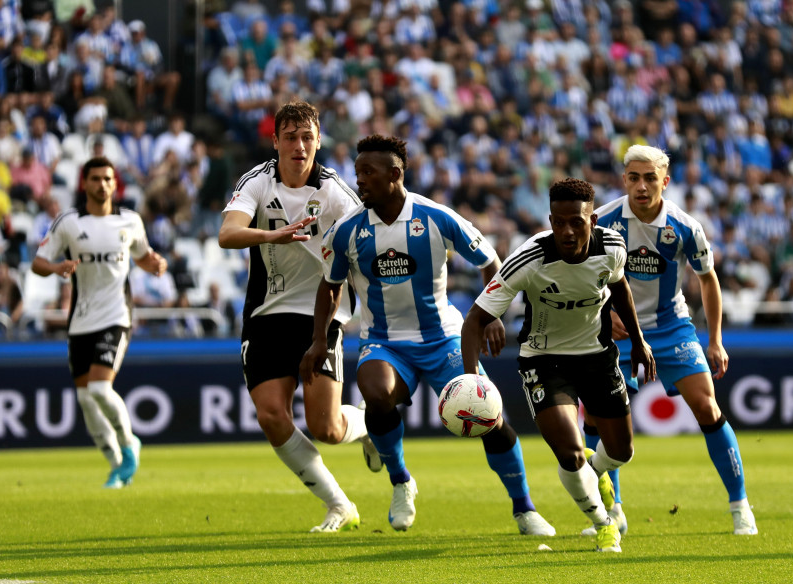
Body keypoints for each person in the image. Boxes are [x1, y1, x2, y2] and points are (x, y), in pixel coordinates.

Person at [300, 134, 555, 536]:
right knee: (376, 395)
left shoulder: (436, 217)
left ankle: (525, 508)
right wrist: (318, 339)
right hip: (384, 341)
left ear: (395, 174)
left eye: (368, 173)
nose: (359, 181)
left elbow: (491, 262)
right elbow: (330, 286)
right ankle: (401, 481)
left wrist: (491, 315)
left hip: (444, 339)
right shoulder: (347, 230)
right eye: (357, 172)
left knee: (491, 418)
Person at [461, 178, 655, 552]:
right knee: (571, 450)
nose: (567, 231)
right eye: (559, 222)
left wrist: (639, 339)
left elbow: (620, 289)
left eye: (577, 222)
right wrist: (473, 382)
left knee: (622, 452)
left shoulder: (613, 248)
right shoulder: (528, 259)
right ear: (550, 220)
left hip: (597, 357)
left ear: (593, 219)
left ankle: (591, 474)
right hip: (544, 361)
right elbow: (474, 320)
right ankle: (604, 523)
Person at [218, 100, 378, 534]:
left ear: (318, 141)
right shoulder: (256, 182)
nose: (299, 145)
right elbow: (227, 234)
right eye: (290, 137)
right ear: (275, 142)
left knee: (326, 427)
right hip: (267, 315)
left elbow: (367, 247)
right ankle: (339, 503)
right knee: (271, 414)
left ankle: (371, 426)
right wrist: (273, 234)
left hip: (319, 318)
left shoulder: (336, 194)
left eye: (307, 137)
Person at [585, 144, 757, 536]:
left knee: (706, 405)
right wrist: (601, 313)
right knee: (598, 417)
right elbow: (581, 273)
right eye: (634, 177)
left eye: (650, 178)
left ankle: (740, 505)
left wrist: (715, 339)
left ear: (665, 180)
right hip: (617, 329)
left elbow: (708, 279)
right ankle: (612, 512)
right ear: (624, 180)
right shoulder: (602, 221)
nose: (641, 186)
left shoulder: (684, 227)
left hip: (670, 326)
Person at [30, 157, 167, 488]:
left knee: (100, 389)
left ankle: (130, 445)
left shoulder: (130, 221)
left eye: (108, 178)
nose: (103, 184)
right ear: (84, 184)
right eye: (95, 178)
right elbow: (37, 263)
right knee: (85, 399)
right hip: (80, 320)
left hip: (117, 315)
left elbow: (142, 255)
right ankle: (116, 465)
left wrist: (156, 264)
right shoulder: (69, 222)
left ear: (115, 183)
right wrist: (56, 268)